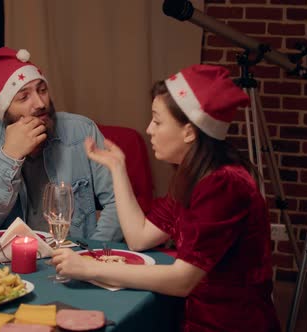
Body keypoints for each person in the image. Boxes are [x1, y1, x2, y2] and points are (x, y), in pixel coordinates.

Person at [52, 65, 281, 331]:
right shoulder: (193, 175)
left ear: (189, 131)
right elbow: (139, 237)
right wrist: (117, 168)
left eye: (158, 121)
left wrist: (89, 268)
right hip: (192, 316)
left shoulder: (225, 184)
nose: (149, 129)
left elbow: (182, 280)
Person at [0, 47, 121, 241]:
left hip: (74, 256)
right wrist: (10, 156)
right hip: (7, 263)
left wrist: (91, 255)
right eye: (24, 97)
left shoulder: (82, 131)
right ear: (3, 110)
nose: (40, 103)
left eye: (42, 90)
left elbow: (118, 204)